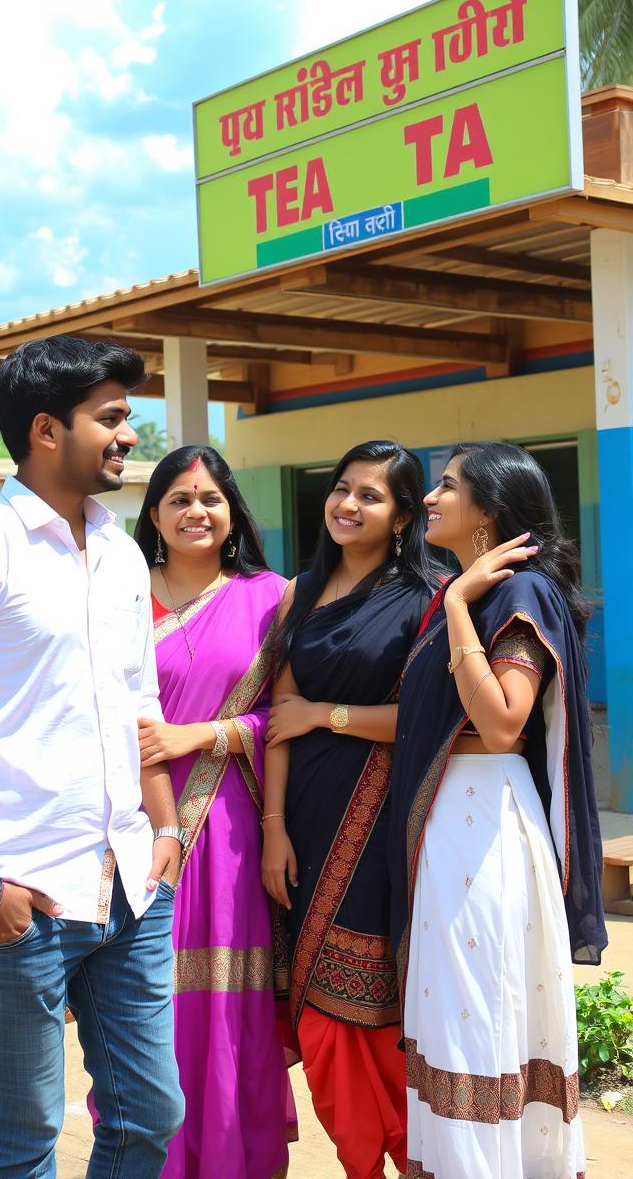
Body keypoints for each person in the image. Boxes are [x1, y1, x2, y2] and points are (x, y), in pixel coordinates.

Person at [0, 336, 185, 1179]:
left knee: (151, 1113)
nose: (129, 434)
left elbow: (139, 703)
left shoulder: (123, 551)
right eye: (113, 417)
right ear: (48, 430)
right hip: (25, 899)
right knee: (22, 1140)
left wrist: (165, 834)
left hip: (131, 881)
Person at [388, 441, 607, 1179]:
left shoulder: (517, 594)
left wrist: (454, 607)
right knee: (463, 1010)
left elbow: (505, 719)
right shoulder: (481, 592)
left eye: (447, 486)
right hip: (460, 820)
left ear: (490, 510)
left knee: (479, 1012)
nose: (429, 498)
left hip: (486, 825)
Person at [262, 441, 440, 1179]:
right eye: (342, 488)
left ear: (402, 516)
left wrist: (323, 716)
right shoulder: (302, 590)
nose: (348, 504)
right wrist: (272, 830)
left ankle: (410, 1159)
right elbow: (277, 715)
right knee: (313, 1011)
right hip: (301, 817)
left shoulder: (429, 595)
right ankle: (359, 1165)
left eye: (371, 495)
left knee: (365, 1015)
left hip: (379, 821)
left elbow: (429, 718)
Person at [132, 445, 295, 1179]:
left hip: (234, 830)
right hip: (137, 830)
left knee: (230, 1011)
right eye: (178, 499)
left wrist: (204, 733)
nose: (195, 511)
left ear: (232, 511)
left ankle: (235, 1160)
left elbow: (286, 716)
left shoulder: (273, 596)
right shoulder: (122, 595)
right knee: (145, 1012)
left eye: (209, 499)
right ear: (155, 514)